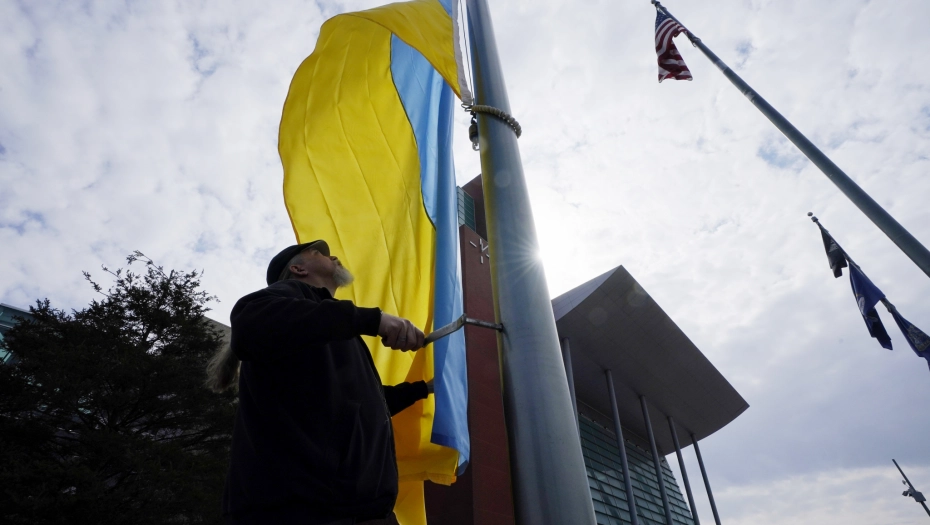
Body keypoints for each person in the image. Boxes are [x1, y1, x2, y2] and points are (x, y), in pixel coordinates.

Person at [208, 240, 431, 525]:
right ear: (298, 269)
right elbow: (249, 322)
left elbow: (361, 405)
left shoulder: (333, 325)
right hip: (299, 508)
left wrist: (424, 388)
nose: (333, 257)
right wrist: (373, 320)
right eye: (318, 253)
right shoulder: (288, 297)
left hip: (360, 508)